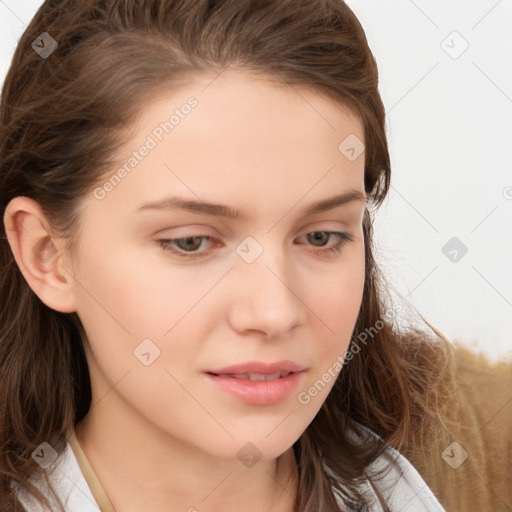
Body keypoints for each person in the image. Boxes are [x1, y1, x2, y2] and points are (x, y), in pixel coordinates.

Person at [0, 1, 458, 510]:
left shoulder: (461, 473)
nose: (274, 313)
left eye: (322, 236)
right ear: (47, 255)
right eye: (191, 242)